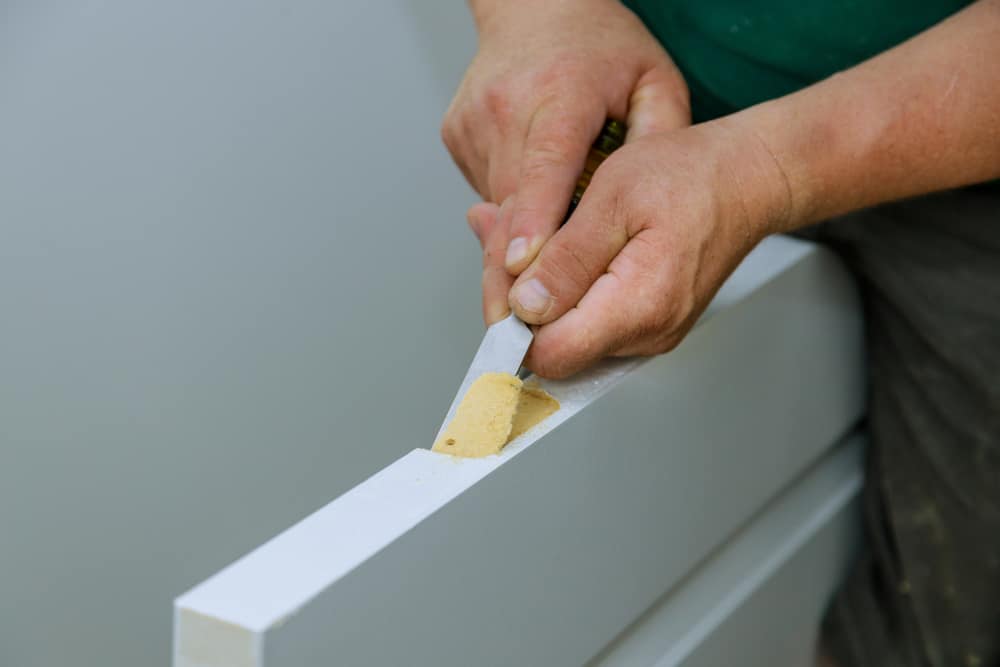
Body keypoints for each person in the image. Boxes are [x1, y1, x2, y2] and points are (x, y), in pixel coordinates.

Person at [441, 1, 1000, 665]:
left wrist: (765, 168)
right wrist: (540, 17)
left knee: (961, 615)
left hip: (966, 122)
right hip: (657, 123)